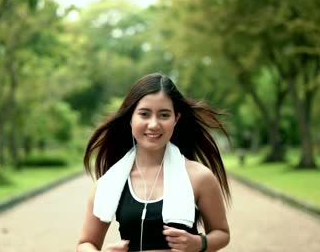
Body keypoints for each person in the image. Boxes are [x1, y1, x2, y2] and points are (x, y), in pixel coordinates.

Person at [77, 73, 231, 252]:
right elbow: (85, 244)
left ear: (176, 119)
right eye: (144, 114)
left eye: (164, 115)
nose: (153, 124)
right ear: (130, 118)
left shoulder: (199, 177)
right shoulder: (109, 182)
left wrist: (199, 243)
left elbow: (222, 233)